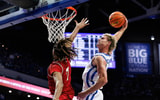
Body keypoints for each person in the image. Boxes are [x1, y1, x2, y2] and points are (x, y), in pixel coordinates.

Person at [77, 18, 128, 100]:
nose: (99, 39)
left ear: (108, 43)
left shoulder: (100, 58)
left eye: (102, 38)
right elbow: (115, 38)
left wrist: (85, 93)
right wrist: (123, 29)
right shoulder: (108, 53)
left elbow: (103, 80)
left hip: (91, 94)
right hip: (92, 93)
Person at [47, 18, 89, 100]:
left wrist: (55, 99)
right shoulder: (66, 59)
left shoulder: (55, 67)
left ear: (54, 53)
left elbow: (59, 84)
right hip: (69, 95)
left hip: (61, 97)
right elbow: (70, 40)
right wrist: (77, 28)